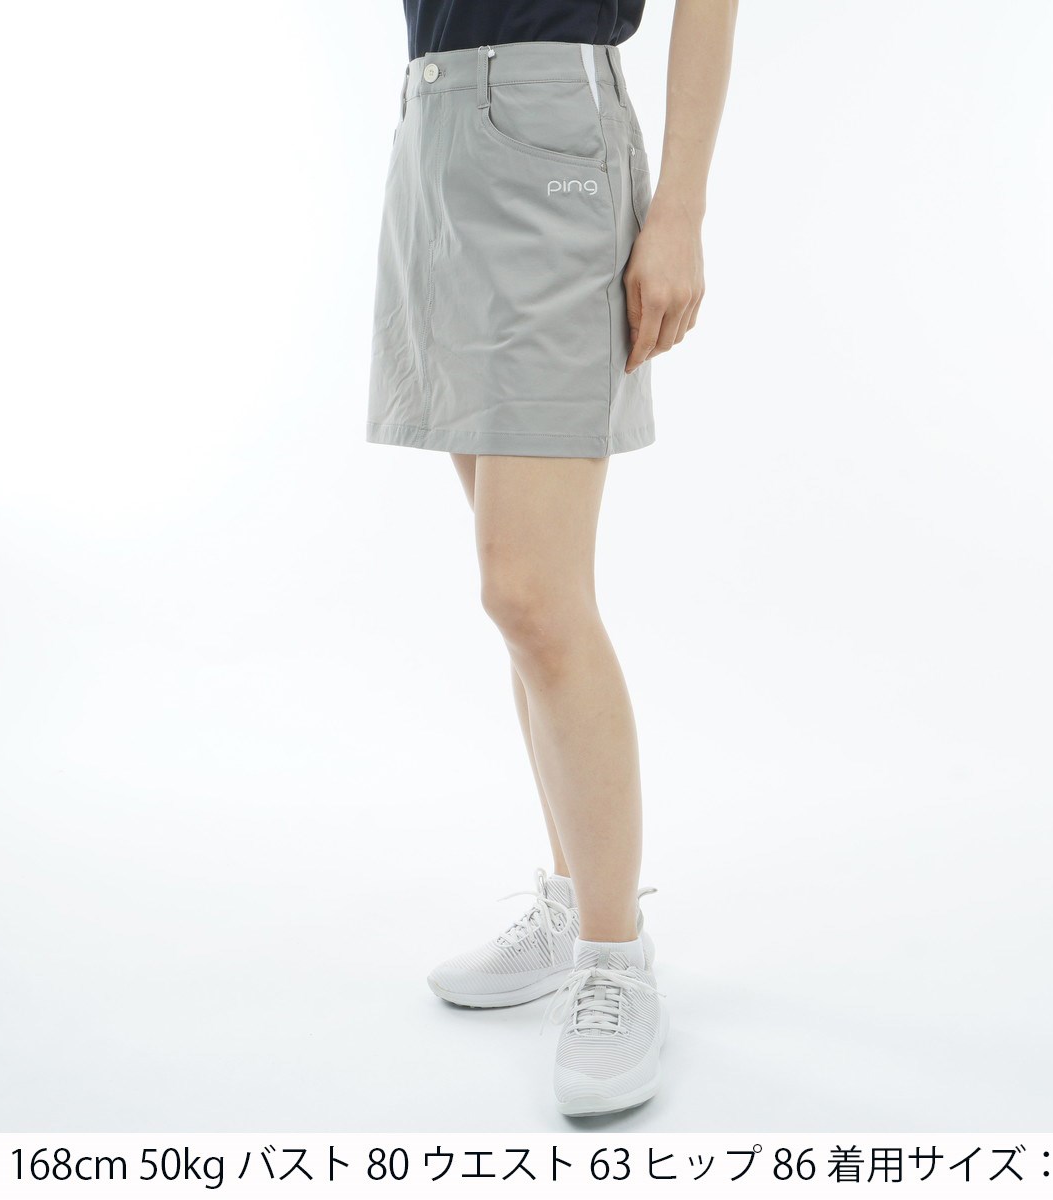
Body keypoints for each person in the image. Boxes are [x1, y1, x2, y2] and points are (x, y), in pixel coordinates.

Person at [367, 0, 737, 1116]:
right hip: (433, 133)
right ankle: (578, 901)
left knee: (531, 593)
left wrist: (679, 211)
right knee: (519, 596)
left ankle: (616, 960)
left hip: (551, 137)